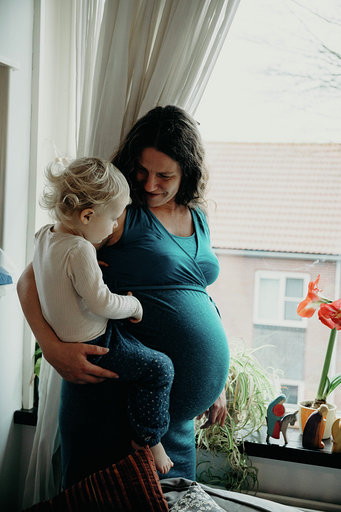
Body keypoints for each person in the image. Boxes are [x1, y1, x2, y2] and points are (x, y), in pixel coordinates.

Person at [17, 105, 230, 505]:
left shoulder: (197, 217)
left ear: (188, 171)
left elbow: (196, 291)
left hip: (171, 423)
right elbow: (34, 275)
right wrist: (51, 347)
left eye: (164, 175)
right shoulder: (119, 216)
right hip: (112, 407)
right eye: (142, 171)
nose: (149, 185)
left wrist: (216, 379)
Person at [32, 156, 175, 479]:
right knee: (159, 368)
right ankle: (149, 439)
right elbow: (101, 303)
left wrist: (88, 269)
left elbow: (55, 279)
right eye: (112, 218)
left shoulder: (46, 236)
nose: (114, 226)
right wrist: (134, 306)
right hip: (97, 340)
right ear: (87, 215)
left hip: (89, 336)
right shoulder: (80, 250)